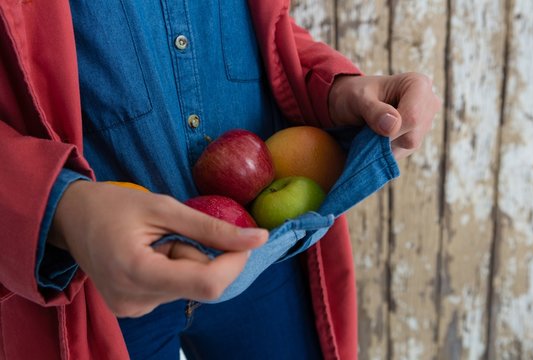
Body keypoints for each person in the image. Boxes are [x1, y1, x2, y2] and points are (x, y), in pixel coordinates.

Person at [0, 1, 441, 359]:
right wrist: (61, 208)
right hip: (95, 289)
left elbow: (262, 30)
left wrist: (334, 88)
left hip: (268, 254)